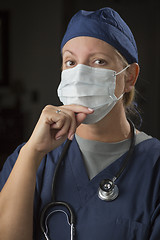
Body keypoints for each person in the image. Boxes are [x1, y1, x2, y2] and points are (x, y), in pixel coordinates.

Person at [0, 7, 160, 240]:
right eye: (71, 62)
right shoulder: (29, 158)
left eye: (99, 61)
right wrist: (32, 152)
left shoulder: (154, 165)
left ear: (130, 77)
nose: (81, 73)